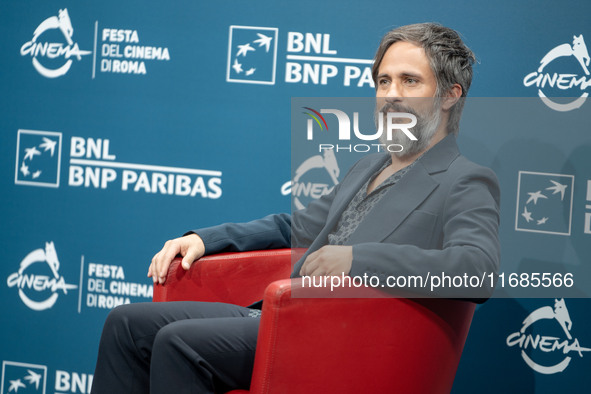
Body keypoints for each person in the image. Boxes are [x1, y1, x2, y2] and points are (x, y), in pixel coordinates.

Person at [91, 22, 500, 394]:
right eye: (383, 81)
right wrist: (204, 238)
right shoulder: (366, 166)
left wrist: (358, 260)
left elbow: (476, 271)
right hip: (284, 316)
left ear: (450, 95)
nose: (391, 94)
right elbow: (296, 225)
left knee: (177, 343)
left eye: (410, 81)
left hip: (345, 340)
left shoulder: (464, 179)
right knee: (126, 324)